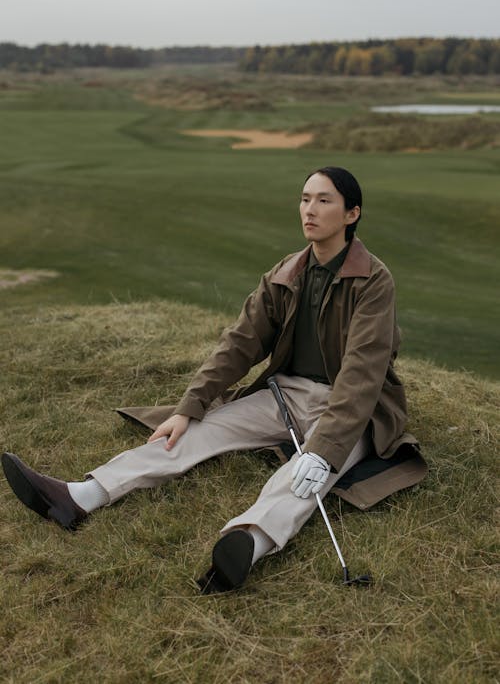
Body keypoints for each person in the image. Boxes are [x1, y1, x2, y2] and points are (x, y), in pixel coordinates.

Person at [2, 166, 427, 593]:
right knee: (197, 431)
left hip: (354, 410)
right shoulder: (285, 273)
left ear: (351, 214)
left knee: (306, 471)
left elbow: (362, 373)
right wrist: (191, 406)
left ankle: (247, 543)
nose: (309, 210)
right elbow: (239, 344)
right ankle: (79, 496)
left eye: (324, 200)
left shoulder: (374, 281)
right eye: (304, 198)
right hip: (287, 395)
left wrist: (326, 449)